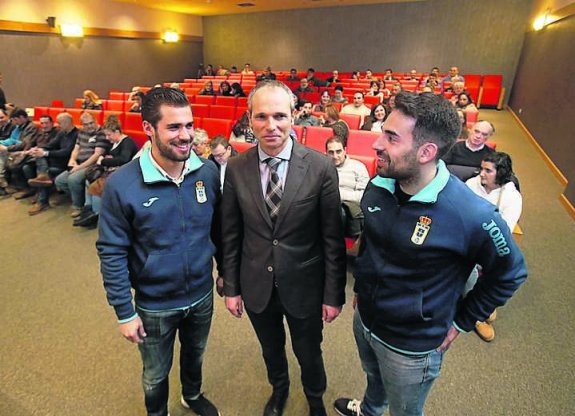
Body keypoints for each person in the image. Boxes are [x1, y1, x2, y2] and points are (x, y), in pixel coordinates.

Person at [334, 92, 527, 416]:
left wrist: (462, 321)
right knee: (373, 377)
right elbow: (373, 238)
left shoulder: (472, 214)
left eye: (391, 137)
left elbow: (511, 273)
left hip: (412, 347)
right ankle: (369, 410)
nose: (376, 144)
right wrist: (363, 286)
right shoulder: (380, 182)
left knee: (405, 410)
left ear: (426, 152)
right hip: (365, 318)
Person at [221, 80, 346, 416]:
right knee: (271, 348)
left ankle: (315, 396)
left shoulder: (320, 167)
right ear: (249, 119)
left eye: (279, 116)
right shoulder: (236, 168)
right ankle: (279, 389)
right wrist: (230, 287)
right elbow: (230, 234)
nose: (271, 126)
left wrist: (333, 294)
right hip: (256, 282)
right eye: (261, 117)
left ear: (294, 116)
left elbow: (332, 240)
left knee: (308, 350)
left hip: (305, 283)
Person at [97, 87, 221, 416]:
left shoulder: (207, 173)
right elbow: (111, 251)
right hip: (154, 304)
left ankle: (191, 396)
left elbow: (219, 229)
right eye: (174, 127)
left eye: (189, 125)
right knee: (155, 374)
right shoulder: (122, 184)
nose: (186, 136)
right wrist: (124, 311)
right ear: (148, 128)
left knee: (195, 355)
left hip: (201, 294)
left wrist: (225, 272)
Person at [465, 151, 523, 342]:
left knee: (504, 266)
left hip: (492, 243)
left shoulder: (512, 197)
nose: (481, 173)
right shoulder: (471, 185)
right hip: (466, 238)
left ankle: (484, 303)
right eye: (481, 168)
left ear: (501, 173)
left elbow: (504, 230)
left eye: (487, 170)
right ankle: (477, 314)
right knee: (467, 263)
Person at [73, 115, 138, 228]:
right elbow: (106, 154)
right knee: (89, 180)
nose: (107, 138)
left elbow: (124, 160)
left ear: (117, 131)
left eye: (109, 134)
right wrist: (104, 158)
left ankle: (97, 214)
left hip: (124, 173)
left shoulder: (127, 142)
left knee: (98, 186)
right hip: (111, 172)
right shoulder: (114, 142)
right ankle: (88, 209)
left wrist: (103, 161)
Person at [54, 111, 109, 218]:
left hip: (92, 166)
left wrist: (78, 167)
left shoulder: (101, 133)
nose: (89, 126)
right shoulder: (82, 132)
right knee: (59, 181)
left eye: (91, 123)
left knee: (73, 179)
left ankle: (78, 206)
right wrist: (72, 160)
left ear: (96, 121)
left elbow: (96, 155)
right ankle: (82, 198)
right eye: (86, 124)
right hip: (79, 163)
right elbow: (76, 148)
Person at [27, 112, 78, 215]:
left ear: (66, 122)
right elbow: (51, 144)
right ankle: (43, 177)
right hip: (56, 160)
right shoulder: (62, 133)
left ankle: (42, 201)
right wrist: (38, 149)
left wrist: (45, 153)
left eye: (59, 123)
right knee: (39, 159)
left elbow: (66, 152)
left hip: (66, 163)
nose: (58, 125)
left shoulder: (76, 134)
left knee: (44, 169)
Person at [325, 136, 369, 237]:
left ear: (345, 150)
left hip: (350, 209)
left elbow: (364, 195)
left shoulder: (358, 167)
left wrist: (336, 194)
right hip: (326, 205)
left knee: (339, 212)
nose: (335, 156)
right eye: (331, 152)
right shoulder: (322, 168)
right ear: (326, 153)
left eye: (338, 151)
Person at [0, 108, 39, 195]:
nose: (14, 122)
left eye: (15, 120)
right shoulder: (19, 127)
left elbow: (25, 145)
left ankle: (3, 182)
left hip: (26, 152)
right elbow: (12, 139)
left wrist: (7, 148)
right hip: (17, 150)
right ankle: (2, 181)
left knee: (3, 155)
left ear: (22, 117)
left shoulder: (31, 128)